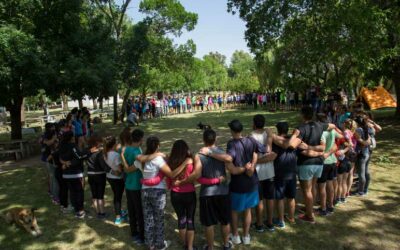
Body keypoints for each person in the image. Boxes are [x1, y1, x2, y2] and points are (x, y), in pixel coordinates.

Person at [275, 106, 336, 223]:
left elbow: (291, 145)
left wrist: (291, 136)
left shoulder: (300, 128)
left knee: (306, 190)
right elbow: (332, 126)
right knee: (312, 188)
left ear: (302, 115)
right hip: (318, 162)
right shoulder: (320, 125)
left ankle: (310, 216)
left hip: (306, 163)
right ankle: (310, 210)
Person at [136, 136, 187, 250]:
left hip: (144, 190)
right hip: (157, 191)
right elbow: (172, 174)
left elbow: (137, 161)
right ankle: (160, 244)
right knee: (158, 219)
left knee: (148, 218)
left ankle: (150, 245)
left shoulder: (142, 160)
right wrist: (184, 164)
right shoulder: (158, 160)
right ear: (158, 146)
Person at [196, 129, 233, 250]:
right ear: (215, 139)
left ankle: (210, 247)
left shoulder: (199, 154)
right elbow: (229, 159)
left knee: (209, 223)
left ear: (203, 140)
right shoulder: (221, 151)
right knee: (225, 221)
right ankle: (226, 244)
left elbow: (197, 177)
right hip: (222, 192)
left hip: (207, 193)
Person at [226, 119, 259, 245]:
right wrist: (252, 167)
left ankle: (235, 235)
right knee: (247, 210)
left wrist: (246, 168)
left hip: (238, 183)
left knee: (234, 210)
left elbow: (230, 160)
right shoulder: (251, 140)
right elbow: (257, 152)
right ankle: (246, 236)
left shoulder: (231, 144)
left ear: (232, 131)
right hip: (251, 181)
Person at [250, 115, 277, 232]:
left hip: (258, 172)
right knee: (269, 198)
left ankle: (260, 224)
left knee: (260, 198)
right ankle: (270, 222)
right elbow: (269, 152)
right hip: (269, 171)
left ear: (254, 123)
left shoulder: (251, 136)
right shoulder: (268, 134)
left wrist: (256, 162)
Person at [120, 129, 145, 245]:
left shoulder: (126, 150)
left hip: (128, 184)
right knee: (139, 211)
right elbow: (130, 169)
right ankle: (140, 236)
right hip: (136, 185)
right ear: (140, 139)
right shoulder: (137, 153)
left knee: (131, 210)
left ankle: (134, 232)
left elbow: (124, 166)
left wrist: (123, 157)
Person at [316, 114, 343, 215]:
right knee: (330, 184)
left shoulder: (322, 133)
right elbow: (342, 136)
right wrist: (335, 127)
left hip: (324, 161)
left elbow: (322, 147)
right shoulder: (332, 131)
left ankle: (323, 208)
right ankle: (331, 206)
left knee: (322, 187)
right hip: (333, 161)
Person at [59, 131, 89, 218]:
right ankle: (80, 211)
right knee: (79, 192)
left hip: (66, 174)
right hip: (75, 173)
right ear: (71, 138)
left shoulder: (61, 146)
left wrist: (65, 163)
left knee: (72, 192)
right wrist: (89, 151)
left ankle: (77, 209)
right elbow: (80, 157)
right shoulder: (72, 146)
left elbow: (60, 158)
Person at [272, 122, 297, 226]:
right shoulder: (294, 141)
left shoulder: (276, 142)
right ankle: (291, 218)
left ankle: (281, 220)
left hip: (280, 172)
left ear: (278, 130)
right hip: (292, 172)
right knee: (291, 197)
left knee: (280, 198)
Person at [104, 136, 126, 225]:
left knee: (116, 195)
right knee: (118, 198)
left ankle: (119, 211)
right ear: (114, 144)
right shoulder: (116, 155)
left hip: (109, 177)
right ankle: (118, 217)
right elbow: (120, 170)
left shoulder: (105, 153)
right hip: (117, 179)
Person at [86, 135, 107, 219]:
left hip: (90, 174)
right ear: (97, 142)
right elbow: (102, 165)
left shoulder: (88, 151)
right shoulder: (99, 153)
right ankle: (102, 213)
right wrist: (109, 170)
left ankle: (98, 211)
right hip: (99, 174)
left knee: (94, 194)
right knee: (100, 194)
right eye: (100, 142)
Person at [354, 116, 372, 196]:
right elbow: (369, 141)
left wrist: (362, 141)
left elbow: (363, 142)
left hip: (362, 154)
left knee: (361, 173)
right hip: (367, 152)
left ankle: (361, 191)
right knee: (366, 172)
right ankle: (365, 189)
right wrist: (366, 142)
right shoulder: (366, 128)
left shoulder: (358, 130)